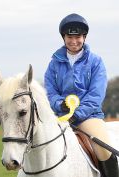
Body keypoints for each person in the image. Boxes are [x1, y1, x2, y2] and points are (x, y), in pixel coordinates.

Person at [44, 13, 118, 177]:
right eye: (69, 36)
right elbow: (50, 91)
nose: (74, 41)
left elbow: (96, 94)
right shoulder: (54, 63)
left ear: (84, 37)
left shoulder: (96, 61)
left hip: (89, 117)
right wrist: (59, 104)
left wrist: (76, 114)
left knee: (104, 149)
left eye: (78, 36)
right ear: (63, 37)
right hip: (60, 117)